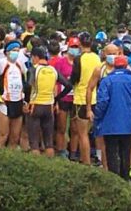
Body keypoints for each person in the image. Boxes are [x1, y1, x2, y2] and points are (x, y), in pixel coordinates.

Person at [94, 55, 131, 181]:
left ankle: (114, 180)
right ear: (126, 66)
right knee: (126, 152)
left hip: (110, 123)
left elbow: (102, 102)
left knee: (111, 152)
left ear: (114, 66)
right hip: (128, 123)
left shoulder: (107, 81)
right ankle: (125, 178)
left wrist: (98, 117)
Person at [26, 46, 72, 157]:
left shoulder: (33, 69)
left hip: (35, 105)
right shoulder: (53, 70)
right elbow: (68, 86)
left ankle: (34, 163)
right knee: (49, 141)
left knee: (34, 141)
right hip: (49, 106)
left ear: (36, 57)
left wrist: (26, 102)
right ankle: (50, 162)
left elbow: (28, 86)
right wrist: (57, 98)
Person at [0, 41, 27, 148]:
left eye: (18, 51)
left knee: (15, 138)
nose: (16, 53)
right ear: (7, 52)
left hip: (18, 101)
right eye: (13, 50)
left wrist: (25, 96)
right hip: (5, 102)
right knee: (3, 135)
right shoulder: (1, 63)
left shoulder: (20, 63)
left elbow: (25, 79)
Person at [70, 32, 98, 165]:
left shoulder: (78, 59)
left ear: (80, 43)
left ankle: (86, 162)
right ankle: (85, 159)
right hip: (94, 98)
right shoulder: (97, 58)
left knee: (82, 134)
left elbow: (74, 78)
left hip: (81, 98)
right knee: (88, 131)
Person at [52, 37, 75, 158]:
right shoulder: (60, 62)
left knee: (75, 129)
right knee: (61, 127)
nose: (75, 49)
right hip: (63, 98)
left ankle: (73, 152)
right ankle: (61, 150)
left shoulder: (79, 62)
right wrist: (55, 100)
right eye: (73, 47)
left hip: (76, 99)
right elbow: (55, 81)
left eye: (77, 47)